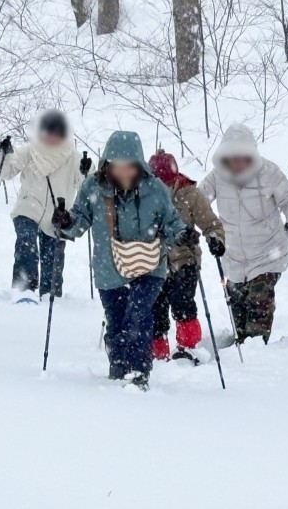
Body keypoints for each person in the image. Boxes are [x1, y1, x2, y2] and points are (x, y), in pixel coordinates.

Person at [52, 131, 193, 390]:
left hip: (149, 267)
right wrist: (66, 222)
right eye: (116, 166)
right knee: (117, 322)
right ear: (107, 164)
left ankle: (138, 372)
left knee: (138, 315)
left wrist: (183, 235)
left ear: (139, 164)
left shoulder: (155, 189)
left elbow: (171, 222)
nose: (123, 172)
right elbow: (79, 220)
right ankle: (118, 369)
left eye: (129, 166)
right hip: (108, 269)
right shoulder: (93, 187)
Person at [200, 123, 288, 344]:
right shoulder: (217, 176)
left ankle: (257, 349)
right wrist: (207, 231)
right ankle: (242, 343)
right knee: (238, 310)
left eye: (242, 157)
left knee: (259, 302)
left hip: (268, 253)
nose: (237, 162)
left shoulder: (269, 172)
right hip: (233, 256)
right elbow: (198, 204)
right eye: (232, 157)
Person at [0, 110, 91, 300]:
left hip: (58, 215)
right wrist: (4, 155)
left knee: (53, 257)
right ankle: (24, 291)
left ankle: (50, 296)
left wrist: (86, 172)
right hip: (28, 208)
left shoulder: (74, 158)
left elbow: (86, 187)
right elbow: (6, 173)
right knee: (26, 243)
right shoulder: (30, 151)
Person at [147, 149, 226, 363]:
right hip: (153, 262)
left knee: (183, 303)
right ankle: (156, 353)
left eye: (167, 183)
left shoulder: (190, 194)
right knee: (155, 310)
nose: (163, 188)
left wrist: (215, 239)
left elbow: (211, 224)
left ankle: (188, 348)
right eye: (158, 183)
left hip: (185, 259)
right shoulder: (143, 196)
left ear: (175, 178)